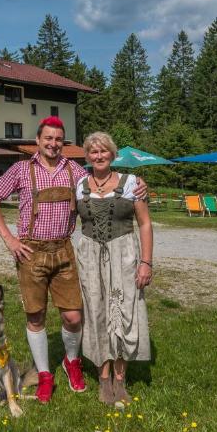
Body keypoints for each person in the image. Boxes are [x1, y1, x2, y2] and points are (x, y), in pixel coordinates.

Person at [0, 117, 147, 403]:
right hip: (31, 252)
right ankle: (45, 374)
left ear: (63, 142)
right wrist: (10, 240)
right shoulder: (22, 169)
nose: (53, 144)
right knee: (35, 316)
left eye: (58, 139)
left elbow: (104, 180)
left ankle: (71, 362)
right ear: (38, 140)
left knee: (73, 316)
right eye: (48, 138)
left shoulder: (74, 171)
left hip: (65, 250)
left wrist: (138, 184)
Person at [74, 131, 153, 406]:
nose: (98, 156)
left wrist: (146, 262)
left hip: (124, 253)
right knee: (96, 313)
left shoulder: (131, 183)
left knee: (122, 312)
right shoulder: (79, 184)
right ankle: (103, 379)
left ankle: (121, 381)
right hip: (89, 255)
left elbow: (144, 223)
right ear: (87, 156)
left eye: (103, 151)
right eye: (93, 152)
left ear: (112, 154)